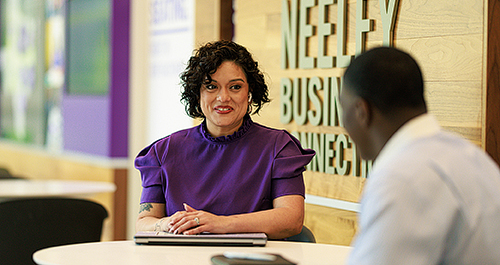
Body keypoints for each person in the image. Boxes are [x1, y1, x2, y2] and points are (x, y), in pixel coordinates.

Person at [135, 40, 315, 239]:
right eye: (211, 87)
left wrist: (220, 224)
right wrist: (167, 223)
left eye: (235, 87)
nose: (223, 97)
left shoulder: (279, 148)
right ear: (197, 94)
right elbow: (144, 222)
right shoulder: (163, 151)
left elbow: (291, 219)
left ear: (250, 93)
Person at [340, 47, 500, 264]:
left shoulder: (402, 178)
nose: (344, 126)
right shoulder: (472, 157)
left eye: (343, 108)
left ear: (361, 111)